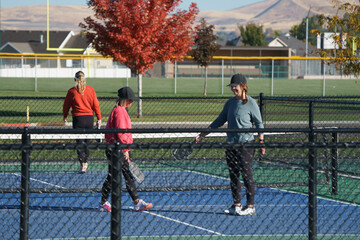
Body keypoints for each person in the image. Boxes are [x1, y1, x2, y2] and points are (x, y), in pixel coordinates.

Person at [195, 73, 265, 216]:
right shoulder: (230, 103)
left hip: (246, 145)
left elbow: (259, 123)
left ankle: (250, 205)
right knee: (233, 175)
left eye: (235, 86)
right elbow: (219, 121)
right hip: (231, 145)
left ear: (243, 86)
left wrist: (261, 141)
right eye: (232, 87)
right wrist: (203, 134)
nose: (233, 89)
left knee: (246, 174)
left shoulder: (251, 103)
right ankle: (237, 205)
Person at [99, 86, 153, 212]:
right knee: (121, 175)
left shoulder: (120, 110)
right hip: (117, 149)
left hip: (117, 148)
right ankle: (135, 202)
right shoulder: (120, 112)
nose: (132, 102)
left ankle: (133, 201)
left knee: (118, 175)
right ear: (125, 100)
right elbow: (121, 133)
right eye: (130, 100)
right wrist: (125, 150)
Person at [63, 71, 101, 174]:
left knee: (80, 142)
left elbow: (66, 105)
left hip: (78, 119)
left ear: (75, 79)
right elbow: (96, 105)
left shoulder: (72, 91)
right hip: (89, 118)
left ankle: (83, 164)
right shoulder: (90, 90)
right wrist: (99, 118)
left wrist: (65, 115)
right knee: (87, 142)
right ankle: (85, 161)